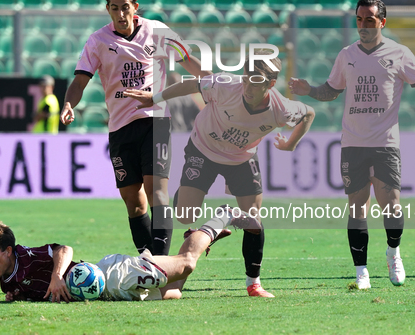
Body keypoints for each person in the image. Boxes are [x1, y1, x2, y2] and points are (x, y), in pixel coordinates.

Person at [289, 0, 415, 290]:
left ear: (382, 22)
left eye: (369, 20)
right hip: (353, 144)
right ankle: (361, 272)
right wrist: (308, 89)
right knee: (357, 207)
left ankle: (393, 252)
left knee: (393, 207)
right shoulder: (346, 54)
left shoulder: (399, 54)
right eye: (359, 20)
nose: (363, 25)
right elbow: (331, 90)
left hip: (385, 144)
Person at [125, 56, 315, 297]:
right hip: (203, 149)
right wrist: (155, 97)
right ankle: (202, 221)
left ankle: (253, 283)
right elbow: (192, 84)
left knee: (254, 221)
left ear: (271, 84)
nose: (248, 87)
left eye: (256, 82)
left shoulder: (281, 108)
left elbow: (308, 113)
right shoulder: (224, 84)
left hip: (242, 158)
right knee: (185, 216)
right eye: (246, 79)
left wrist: (290, 143)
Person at [59, 0, 209, 257]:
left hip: (155, 120)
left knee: (157, 193)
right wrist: (69, 104)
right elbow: (79, 82)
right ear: (107, 9)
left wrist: (214, 81)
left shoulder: (157, 32)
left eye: (125, 7)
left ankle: (161, 264)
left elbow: (188, 60)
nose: (120, 13)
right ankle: (147, 259)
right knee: (133, 201)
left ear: (135, 7)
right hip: (120, 127)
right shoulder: (98, 41)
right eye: (114, 7)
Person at [0, 209, 261, 302]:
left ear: (8, 251)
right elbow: (30, 289)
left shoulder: (26, 257)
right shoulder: (6, 280)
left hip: (112, 277)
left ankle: (221, 216)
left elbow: (63, 249)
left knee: (187, 264)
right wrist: (18, 295)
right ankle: (192, 238)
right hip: (109, 292)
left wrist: (57, 276)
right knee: (172, 293)